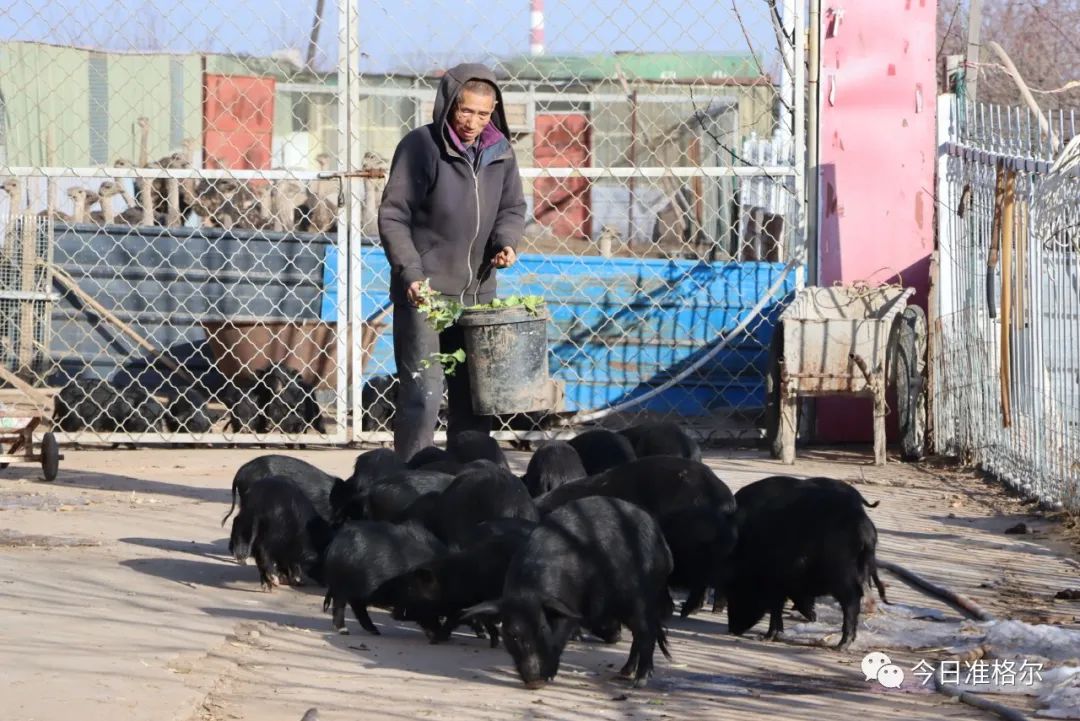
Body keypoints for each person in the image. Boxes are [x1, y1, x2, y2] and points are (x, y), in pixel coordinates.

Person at [378, 62, 526, 462]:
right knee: (421, 394)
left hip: (478, 293)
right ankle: (412, 481)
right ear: (448, 105)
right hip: (424, 292)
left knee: (475, 397)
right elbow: (394, 215)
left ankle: (470, 480)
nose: (473, 122)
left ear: (493, 111)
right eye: (465, 111)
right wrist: (410, 272)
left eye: (483, 113)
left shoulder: (501, 153)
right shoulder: (421, 147)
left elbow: (512, 208)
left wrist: (507, 242)